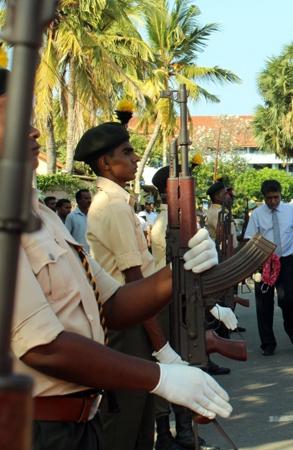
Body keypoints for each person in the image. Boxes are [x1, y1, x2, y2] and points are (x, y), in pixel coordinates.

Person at [2, 82, 230, 450]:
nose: (32, 129)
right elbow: (41, 347)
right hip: (35, 425)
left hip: (79, 418)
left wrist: (182, 270)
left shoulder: (41, 215)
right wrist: (161, 372)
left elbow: (113, 304)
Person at [76, 123, 232, 450]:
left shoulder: (118, 201)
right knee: (126, 427)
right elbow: (135, 280)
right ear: (105, 163)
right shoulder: (113, 205)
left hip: (137, 317)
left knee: (142, 425)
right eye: (127, 152)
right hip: (130, 321)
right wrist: (161, 346)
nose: (135, 159)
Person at [150, 166, 230, 450]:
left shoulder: (179, 223)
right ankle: (172, 433)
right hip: (169, 304)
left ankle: (185, 432)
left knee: (187, 361)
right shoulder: (165, 225)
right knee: (174, 365)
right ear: (169, 191)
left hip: (181, 300)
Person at [244, 179, 293, 356]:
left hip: (287, 260)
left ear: (280, 194)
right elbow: (250, 239)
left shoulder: (290, 210)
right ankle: (268, 343)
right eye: (269, 198)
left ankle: (291, 328)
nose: (273, 201)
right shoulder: (257, 214)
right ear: (264, 197)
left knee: (289, 299)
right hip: (265, 262)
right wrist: (256, 262)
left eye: (276, 197)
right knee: (264, 304)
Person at [65, 189, 91, 253]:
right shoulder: (72, 217)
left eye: (90, 198)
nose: (89, 201)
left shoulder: (93, 215)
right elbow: (66, 237)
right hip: (79, 253)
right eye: (86, 198)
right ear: (79, 200)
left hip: (94, 254)